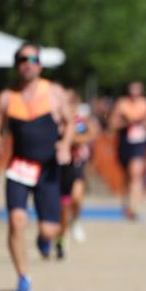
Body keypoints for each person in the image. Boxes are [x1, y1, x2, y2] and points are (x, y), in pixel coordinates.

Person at [0, 43, 74, 291]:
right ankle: (23, 276)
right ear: (16, 65)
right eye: (22, 59)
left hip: (47, 169)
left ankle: (45, 238)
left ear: (40, 64)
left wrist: (65, 144)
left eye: (32, 58)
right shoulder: (6, 98)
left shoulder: (54, 92)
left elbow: (70, 123)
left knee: (50, 229)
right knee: (16, 222)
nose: (28, 63)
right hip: (19, 167)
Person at [57, 90, 100, 257]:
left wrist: (73, 139)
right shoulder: (58, 119)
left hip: (77, 164)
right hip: (61, 166)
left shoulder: (81, 120)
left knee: (77, 198)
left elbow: (90, 134)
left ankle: (75, 221)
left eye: (72, 101)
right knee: (63, 205)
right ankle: (62, 236)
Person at [108, 80, 146, 220]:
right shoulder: (122, 104)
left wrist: (143, 123)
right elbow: (112, 124)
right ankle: (127, 202)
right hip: (124, 141)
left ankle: (134, 207)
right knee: (127, 175)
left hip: (138, 142)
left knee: (136, 174)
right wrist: (127, 122)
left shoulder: (145, 104)